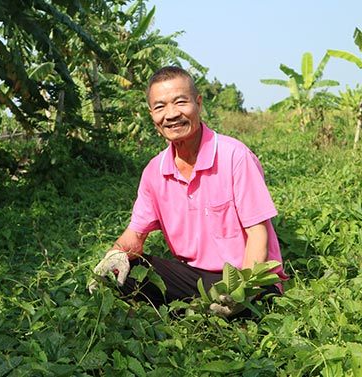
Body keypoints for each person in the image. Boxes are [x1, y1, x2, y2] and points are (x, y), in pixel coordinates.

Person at [89, 66, 287, 317]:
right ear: (152, 114)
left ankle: (212, 314)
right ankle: (193, 314)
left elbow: (258, 234)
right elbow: (135, 236)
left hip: (250, 279)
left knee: (251, 307)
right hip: (197, 280)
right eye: (160, 107)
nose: (171, 115)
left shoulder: (234, 157)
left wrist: (242, 290)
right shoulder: (154, 172)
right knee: (128, 268)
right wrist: (113, 256)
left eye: (180, 102)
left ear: (199, 103)